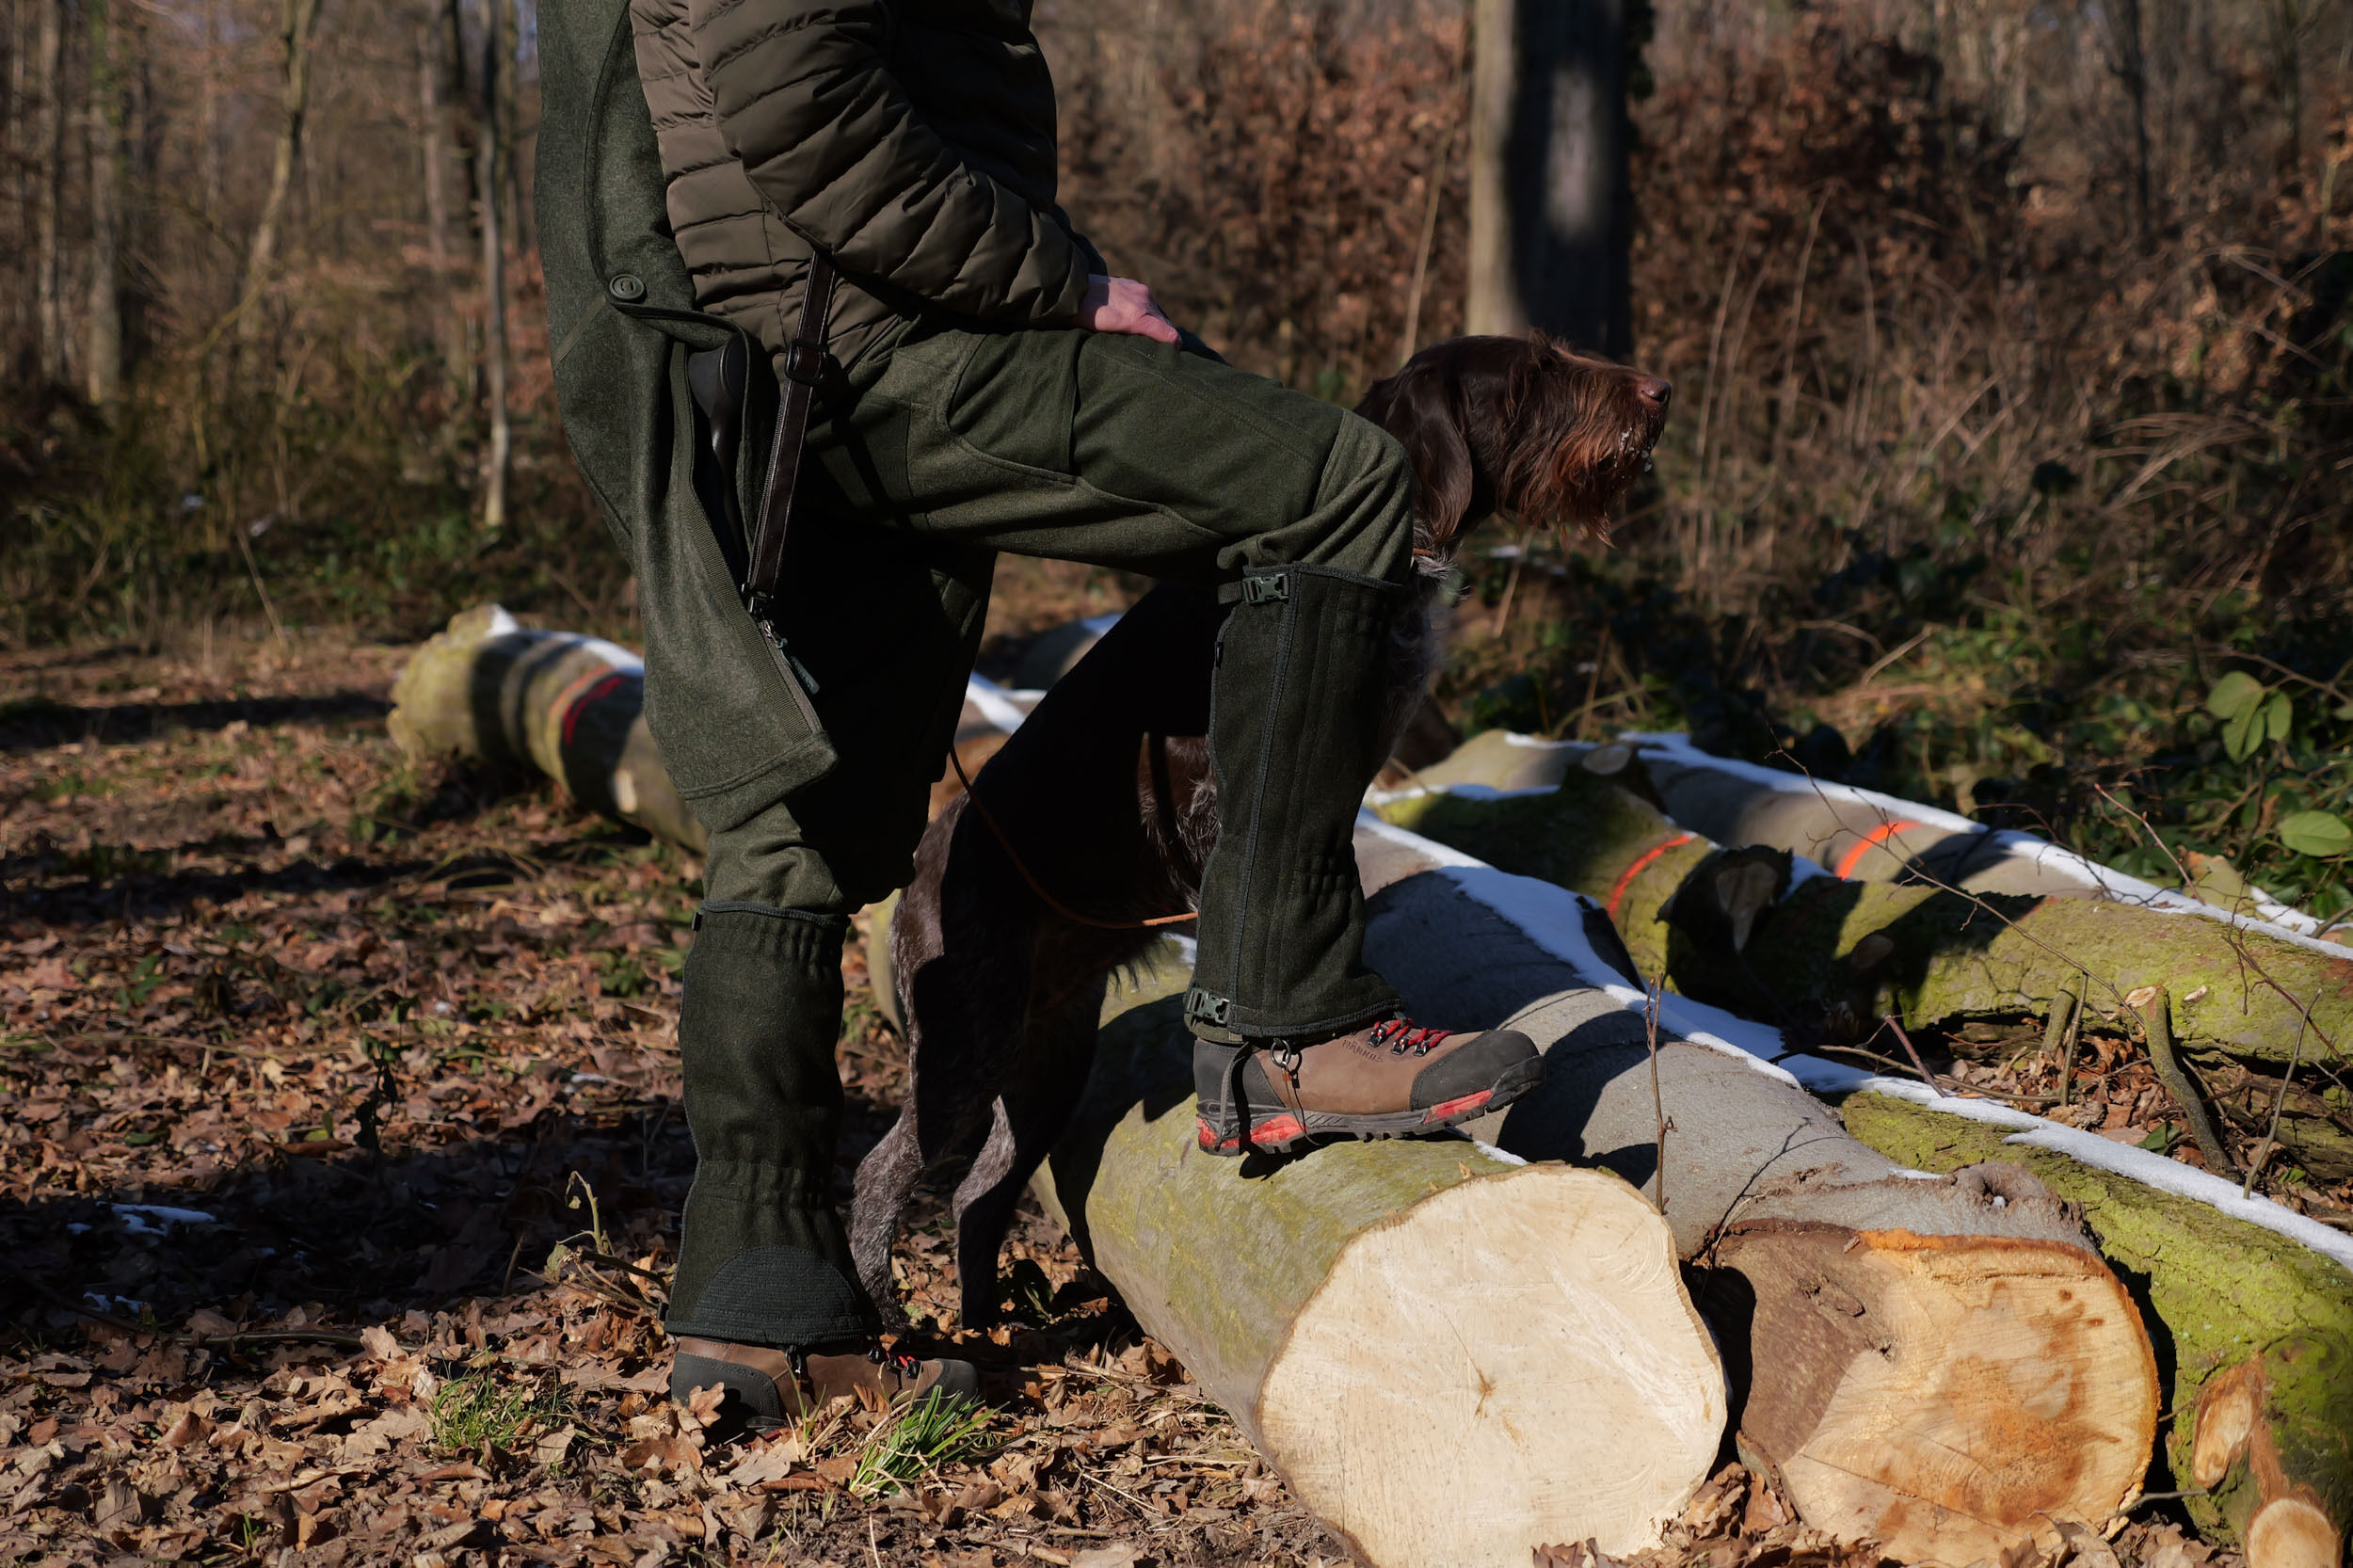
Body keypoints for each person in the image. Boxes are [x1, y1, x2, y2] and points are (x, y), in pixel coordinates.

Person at [554, 0, 1544, 1424]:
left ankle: (762, 1306)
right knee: (1340, 485)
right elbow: (794, 100)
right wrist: (1059, 281)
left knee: (807, 806)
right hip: (878, 335)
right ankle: (1284, 1020)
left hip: (774, 342)